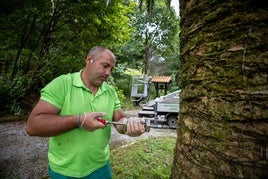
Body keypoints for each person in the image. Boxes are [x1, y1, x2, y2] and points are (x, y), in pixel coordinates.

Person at [26, 46, 145, 178]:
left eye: (111, 69)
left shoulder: (110, 91)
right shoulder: (63, 84)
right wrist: (79, 120)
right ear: (89, 59)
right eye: (105, 66)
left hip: (101, 168)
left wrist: (129, 125)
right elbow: (33, 126)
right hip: (65, 171)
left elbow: (119, 119)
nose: (108, 73)